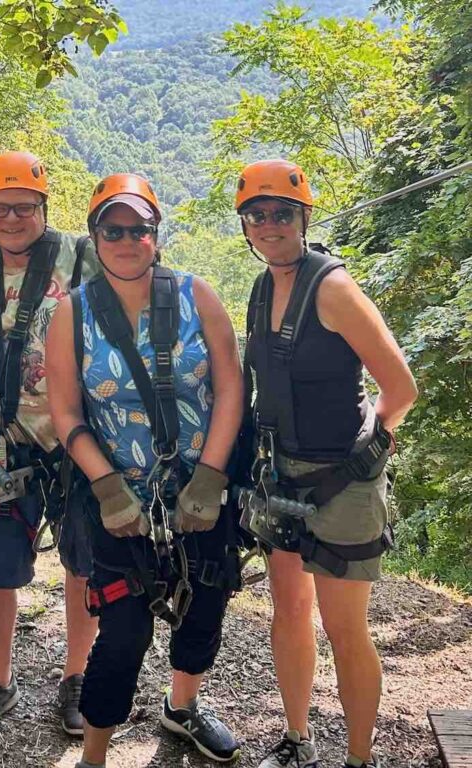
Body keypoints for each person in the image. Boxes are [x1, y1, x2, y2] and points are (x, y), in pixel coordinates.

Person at [46, 173, 244, 767]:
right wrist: (106, 486)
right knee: (124, 630)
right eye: (114, 230)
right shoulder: (72, 314)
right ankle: (95, 754)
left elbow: (231, 386)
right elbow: (65, 409)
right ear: (95, 236)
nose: (127, 240)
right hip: (117, 495)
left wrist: (209, 478)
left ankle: (181, 709)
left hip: (199, 483)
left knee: (205, 602)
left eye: (139, 229)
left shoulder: (196, 296)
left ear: (157, 234)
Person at [233, 160, 418, 768]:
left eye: (281, 213)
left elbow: (400, 387)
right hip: (283, 475)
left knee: (344, 628)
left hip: (341, 482)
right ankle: (297, 738)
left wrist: (371, 449)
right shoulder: (264, 286)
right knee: (289, 611)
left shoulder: (332, 288)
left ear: (303, 217)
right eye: (256, 216)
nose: (268, 225)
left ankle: (359, 759)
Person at [0, 150, 99, 740]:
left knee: (84, 564)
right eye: (0, 208)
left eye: (24, 207)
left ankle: (76, 678)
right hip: (2, 442)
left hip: (78, 439)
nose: (11, 218)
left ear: (43, 207)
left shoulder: (83, 258)